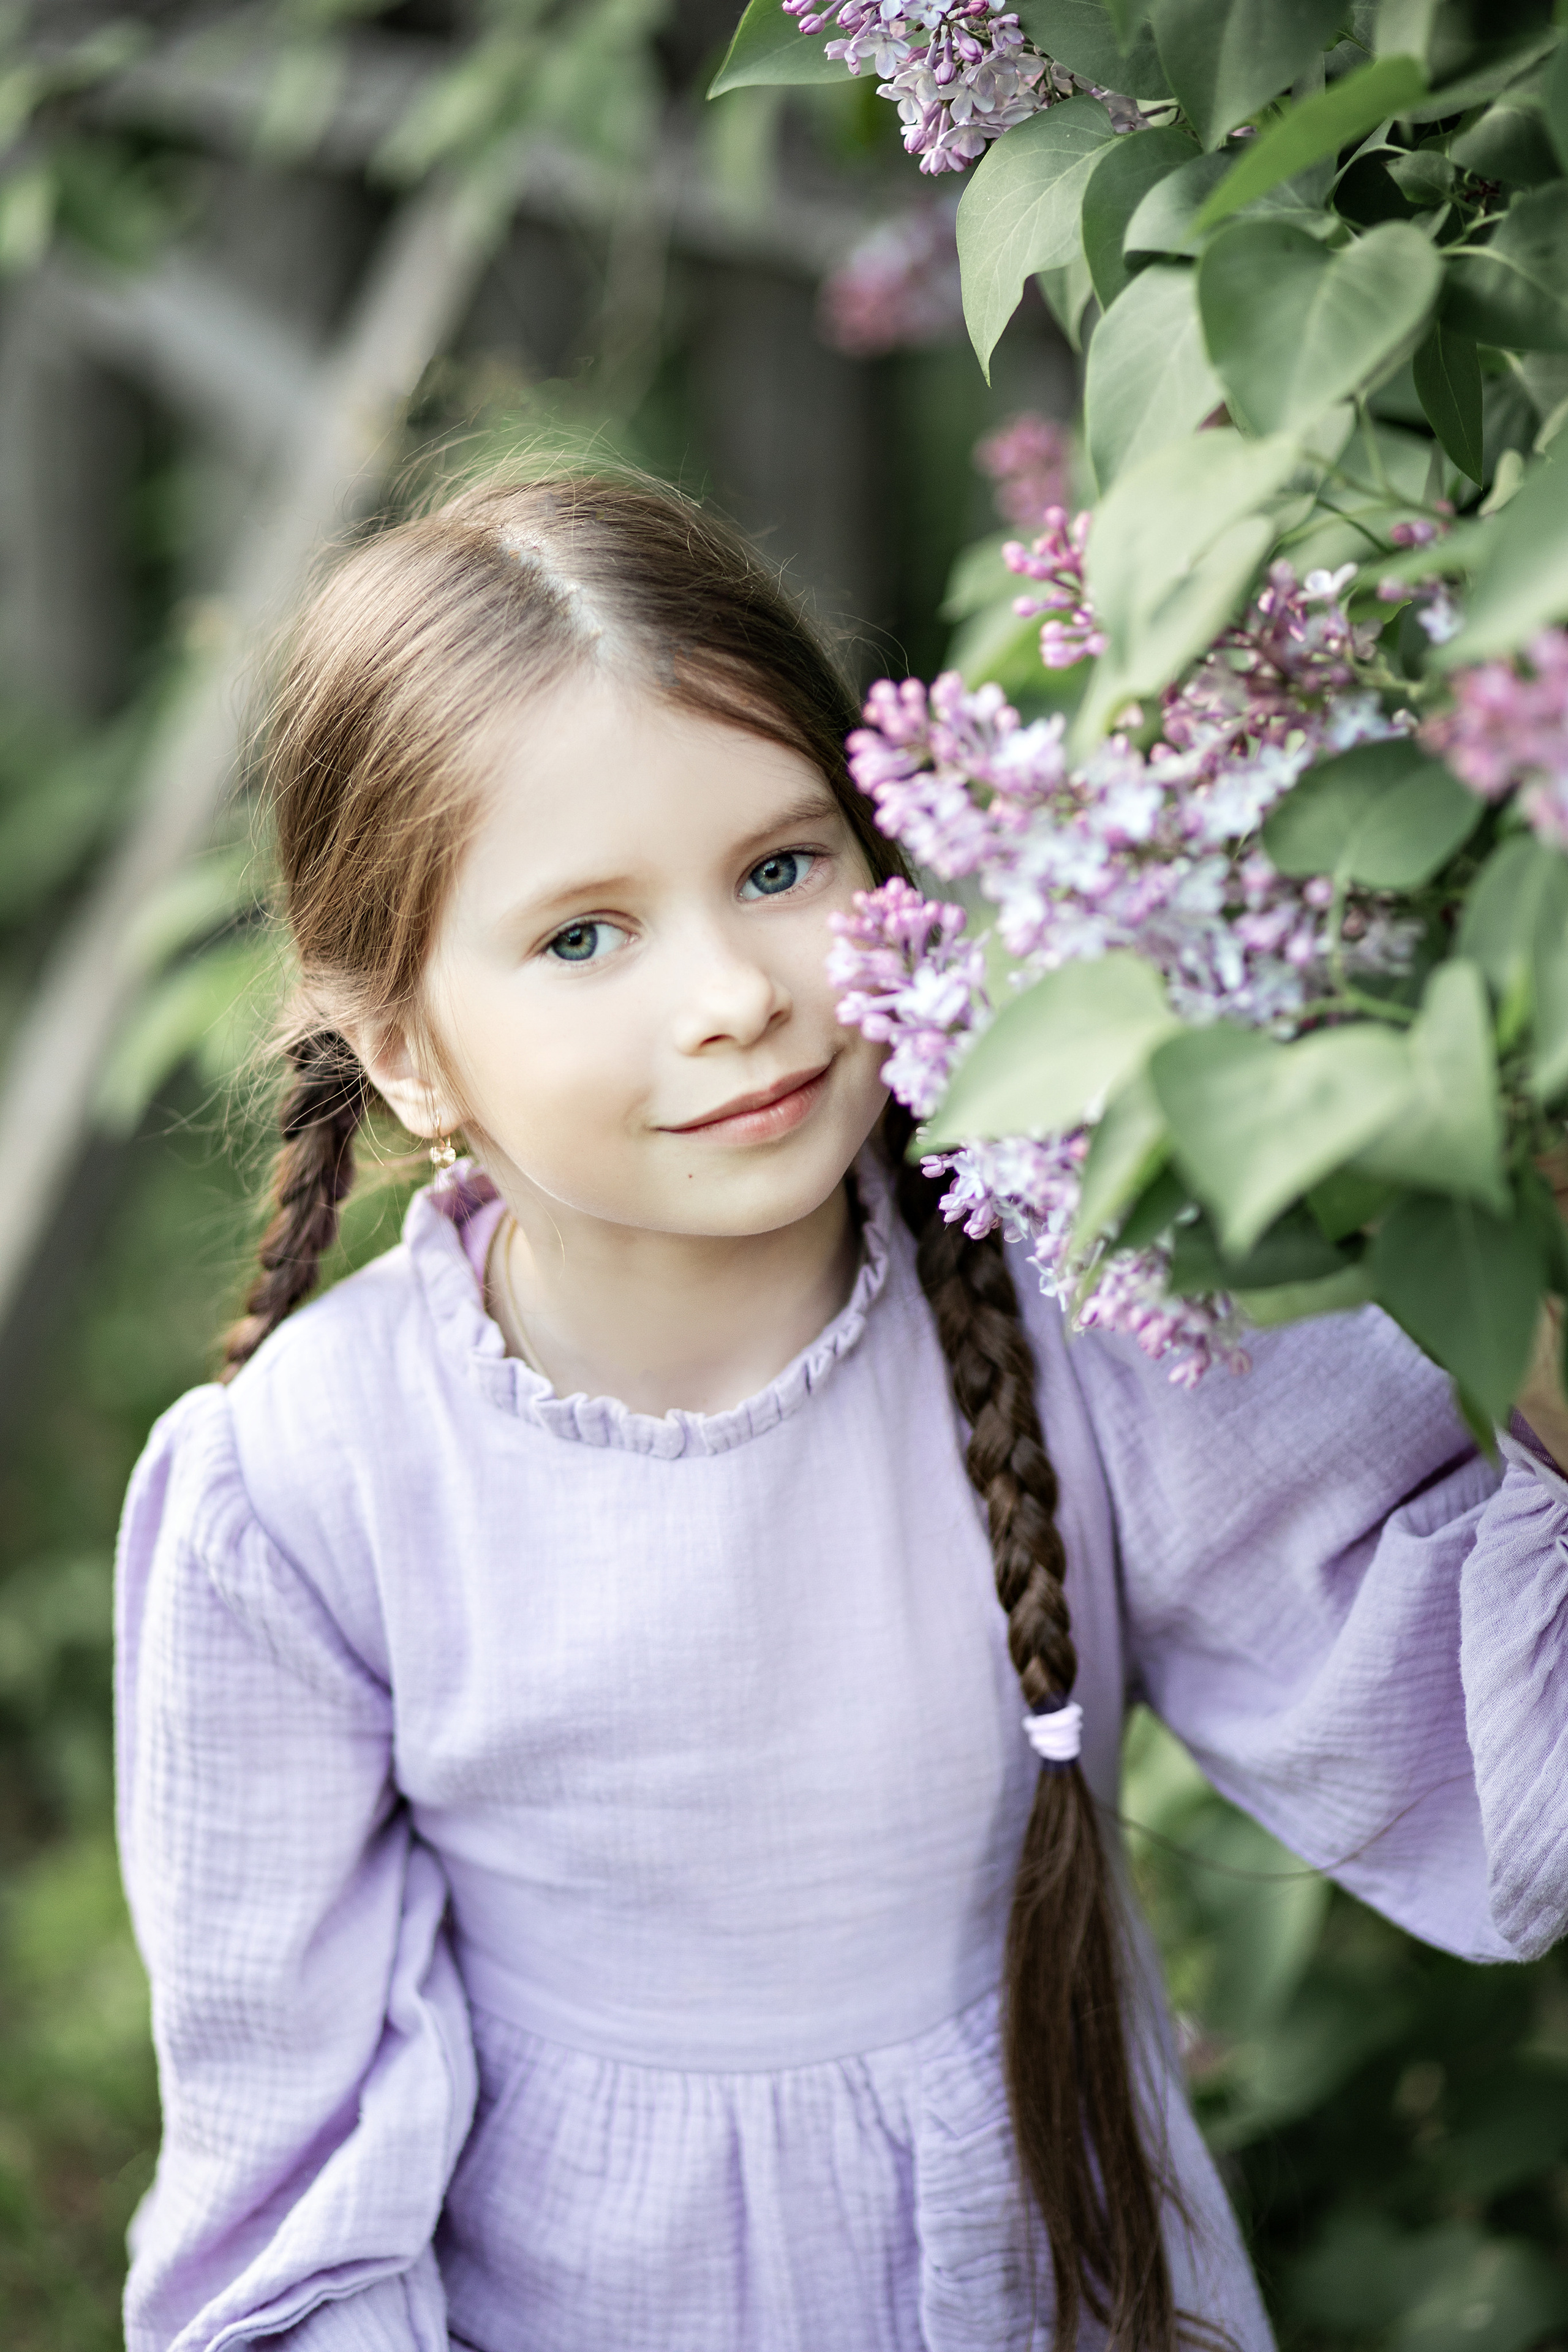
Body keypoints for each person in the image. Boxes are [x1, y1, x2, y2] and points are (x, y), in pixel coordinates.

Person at [115, 473, 1568, 2352]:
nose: (733, 994)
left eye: (783, 868)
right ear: (400, 1045)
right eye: (582, 936)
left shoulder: (1087, 1294)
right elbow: (286, 2207)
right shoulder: (305, 1491)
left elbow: (1475, 1725)